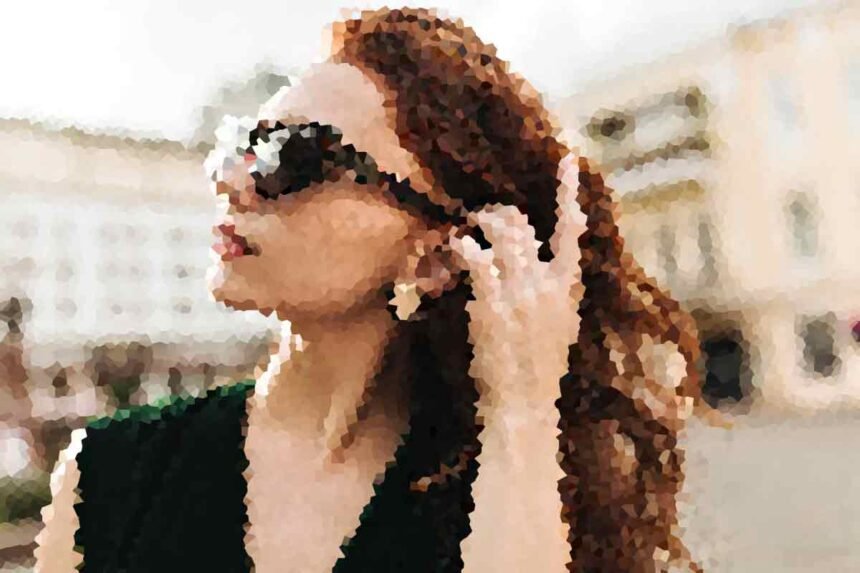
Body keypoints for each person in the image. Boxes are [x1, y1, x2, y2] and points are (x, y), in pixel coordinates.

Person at [35, 7, 707, 572]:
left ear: (435, 257)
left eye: (296, 156)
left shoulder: (505, 488)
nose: (233, 181)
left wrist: (524, 409)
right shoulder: (108, 476)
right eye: (247, 144)